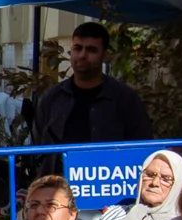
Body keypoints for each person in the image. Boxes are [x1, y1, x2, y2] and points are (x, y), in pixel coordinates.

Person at [22, 20, 154, 145]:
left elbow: (142, 147)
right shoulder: (52, 98)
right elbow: (38, 146)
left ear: (105, 55)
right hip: (58, 170)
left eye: (91, 50)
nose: (82, 55)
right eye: (78, 48)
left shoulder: (125, 99)